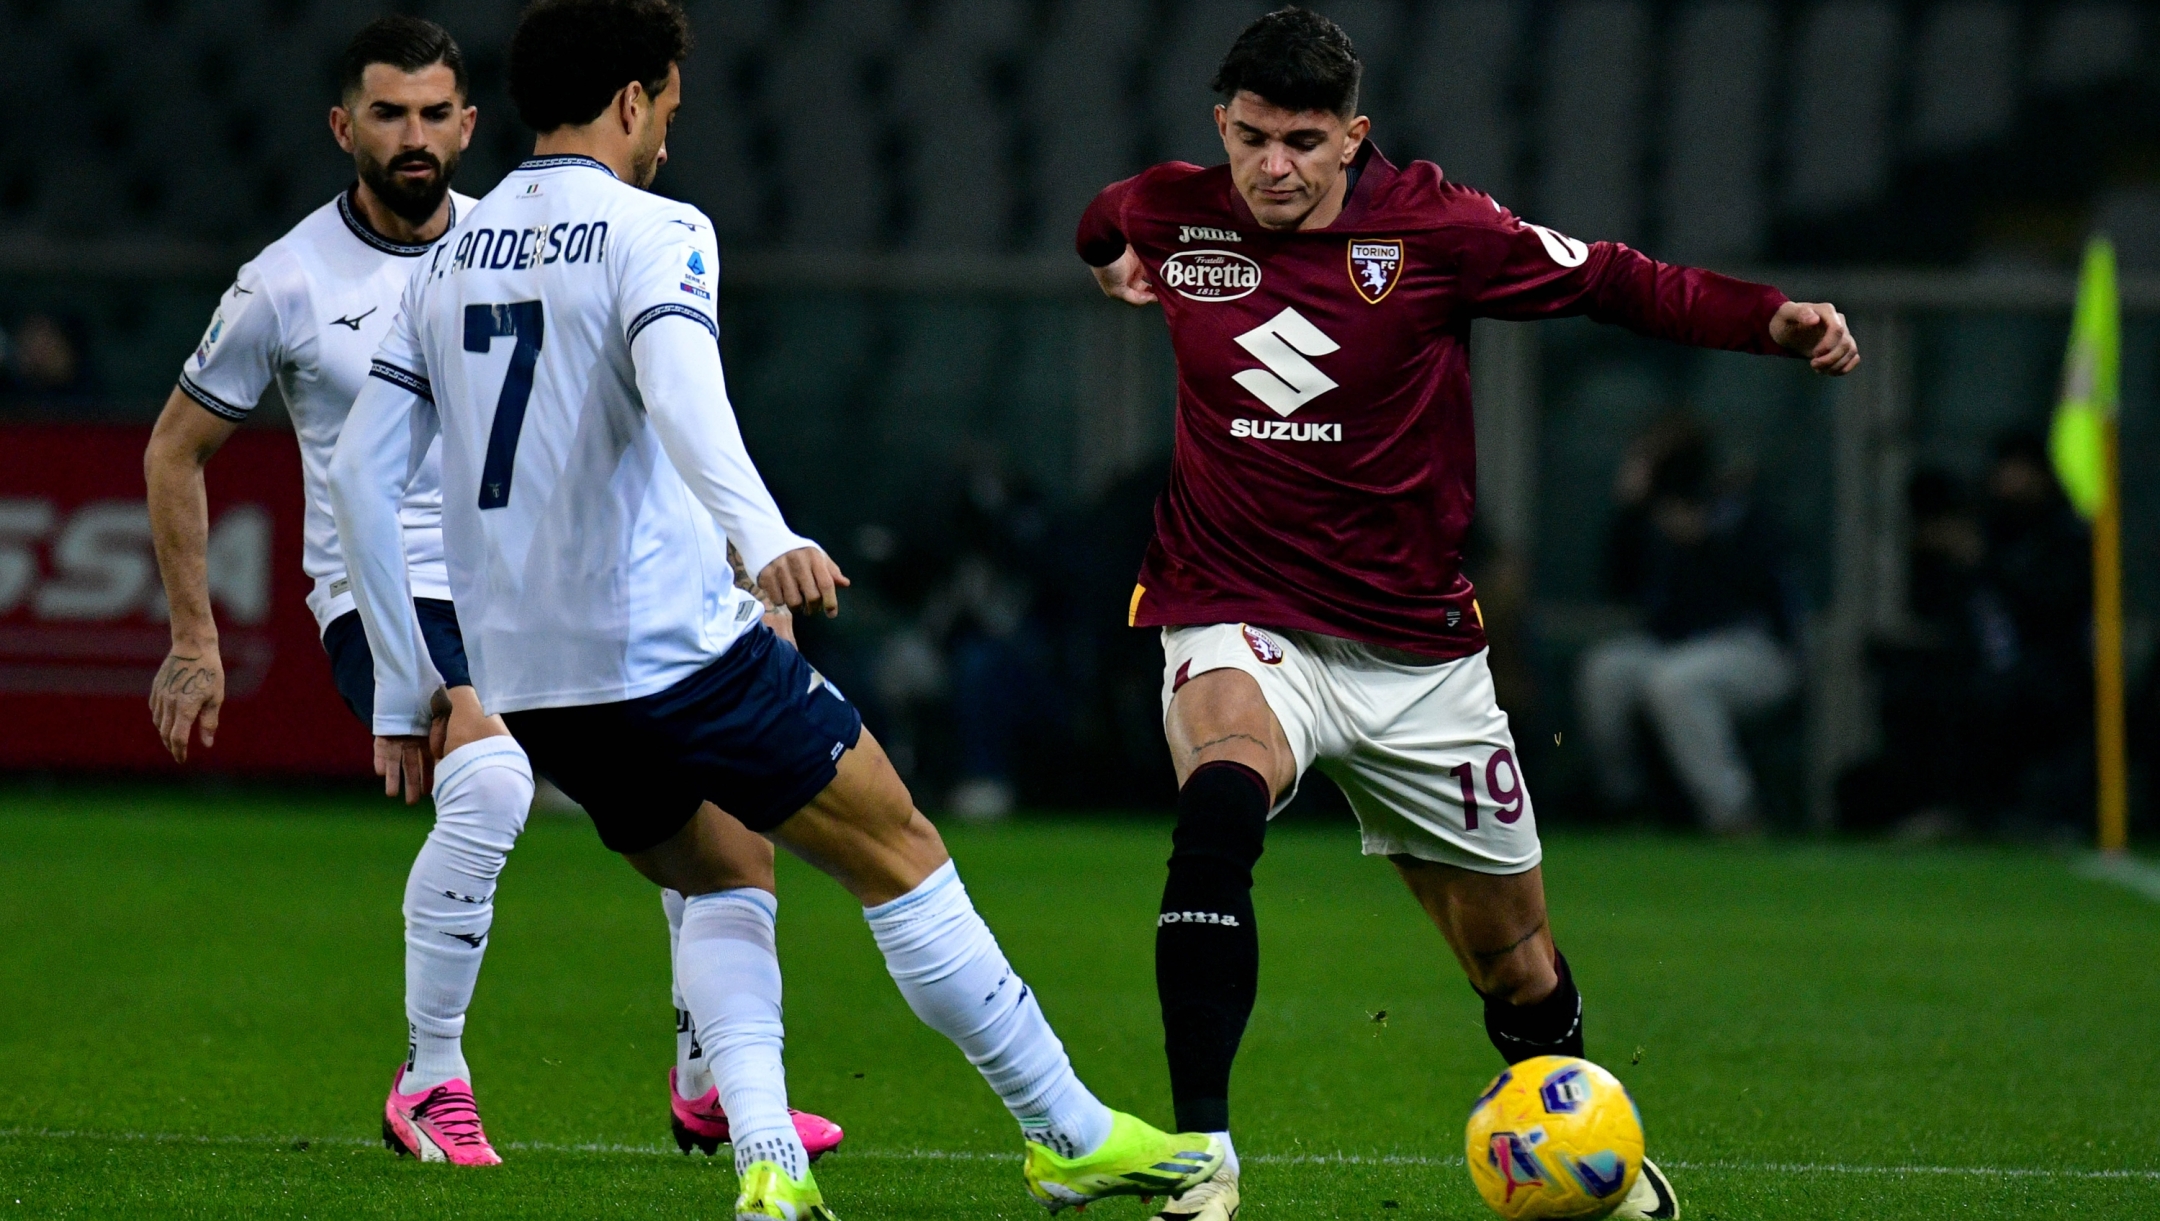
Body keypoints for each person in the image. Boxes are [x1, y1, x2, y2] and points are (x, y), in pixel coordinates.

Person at [327, 2, 1222, 1216]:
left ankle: (769, 1164)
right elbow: (684, 391)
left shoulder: (439, 268)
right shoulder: (655, 229)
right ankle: (1066, 1131)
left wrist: (401, 686)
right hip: (670, 651)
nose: (667, 136)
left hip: (535, 688)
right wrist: (765, 538)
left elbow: (358, 477)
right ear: (636, 99)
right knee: (901, 852)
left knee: (725, 873)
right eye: (669, 110)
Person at [1075, 10, 1858, 1220]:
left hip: (1416, 651)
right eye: (1248, 138)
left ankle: (1588, 1148)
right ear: (1217, 127)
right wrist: (1108, 264)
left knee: (1513, 959)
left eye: (1301, 140)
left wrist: (1770, 319)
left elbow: (1614, 280)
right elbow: (1105, 219)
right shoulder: (1171, 209)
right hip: (1235, 604)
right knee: (1223, 785)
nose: (1272, 167)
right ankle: (1202, 1157)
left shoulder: (1439, 228)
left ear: (1353, 137)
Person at [142, 15, 838, 1168]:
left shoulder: (512, 246)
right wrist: (194, 641)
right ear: (341, 127)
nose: (413, 138)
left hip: (520, 584)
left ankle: (710, 1080)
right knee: (495, 783)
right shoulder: (284, 282)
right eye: (386, 114)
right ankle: (430, 1075)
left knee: (700, 788)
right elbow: (174, 450)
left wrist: (730, 555)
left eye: (433, 115)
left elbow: (642, 409)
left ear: (472, 124)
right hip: (385, 593)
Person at [1577, 417, 1800, 835]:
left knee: (1677, 682)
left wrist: (1705, 539)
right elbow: (1616, 584)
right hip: (1673, 645)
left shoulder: (1738, 505)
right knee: (1605, 672)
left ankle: (1734, 816)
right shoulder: (1651, 512)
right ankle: (1626, 805)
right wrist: (1630, 507)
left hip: (1755, 648)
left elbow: (1761, 589)